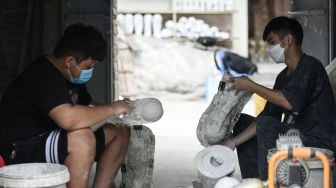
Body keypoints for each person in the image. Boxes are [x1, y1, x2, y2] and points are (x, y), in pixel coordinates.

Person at [0, 23, 132, 188]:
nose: (90, 71)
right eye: (88, 66)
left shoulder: (70, 76)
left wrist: (121, 108)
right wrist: (113, 108)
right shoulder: (42, 76)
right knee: (81, 138)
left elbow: (87, 107)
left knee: (119, 131)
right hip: (19, 149)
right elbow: (68, 119)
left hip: (51, 139)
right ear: (69, 61)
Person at [223, 16, 336, 180]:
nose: (269, 49)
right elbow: (268, 115)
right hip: (293, 136)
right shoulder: (283, 76)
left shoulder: (310, 66)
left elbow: (289, 102)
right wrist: (233, 142)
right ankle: (253, 182)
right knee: (243, 122)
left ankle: (267, 181)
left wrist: (250, 85)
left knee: (266, 125)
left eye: (271, 42)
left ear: (288, 40)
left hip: (317, 140)